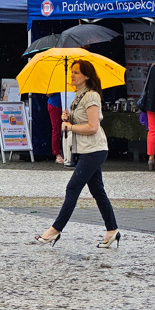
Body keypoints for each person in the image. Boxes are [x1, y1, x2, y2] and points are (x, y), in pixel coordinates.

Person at [35, 60, 120, 249]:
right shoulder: (77, 97)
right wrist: (68, 117)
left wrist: (70, 126)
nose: (72, 75)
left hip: (94, 150)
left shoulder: (91, 97)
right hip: (84, 150)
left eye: (77, 72)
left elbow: (92, 127)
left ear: (87, 76)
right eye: (71, 72)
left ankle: (55, 230)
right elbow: (78, 121)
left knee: (72, 188)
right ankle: (112, 230)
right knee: (98, 191)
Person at [47, 92, 64, 164]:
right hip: (55, 104)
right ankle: (57, 154)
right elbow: (48, 93)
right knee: (56, 129)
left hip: (67, 104)